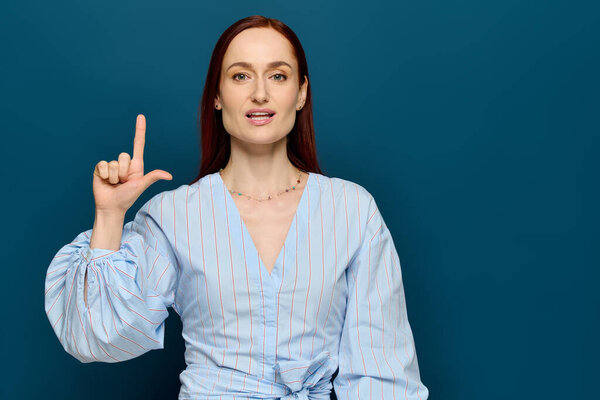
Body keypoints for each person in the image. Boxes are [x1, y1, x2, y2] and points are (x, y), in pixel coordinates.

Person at [44, 15, 429, 400]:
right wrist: (110, 216)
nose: (259, 93)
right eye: (240, 76)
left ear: (301, 92)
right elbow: (100, 337)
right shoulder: (175, 215)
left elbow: (382, 375)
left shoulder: (352, 210)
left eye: (278, 75)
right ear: (216, 94)